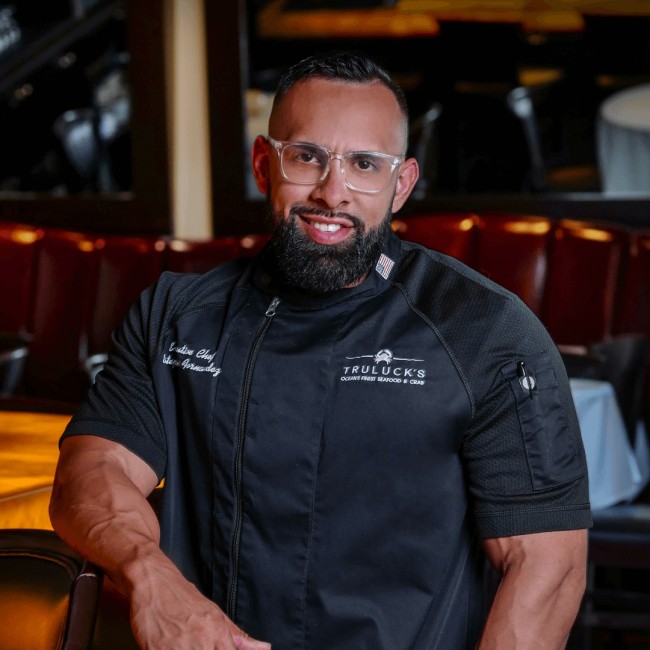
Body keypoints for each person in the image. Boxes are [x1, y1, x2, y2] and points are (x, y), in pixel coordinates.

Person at [50, 52, 592, 650]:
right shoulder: (176, 316)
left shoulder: (484, 330)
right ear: (263, 164)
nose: (332, 192)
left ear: (401, 185)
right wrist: (149, 576)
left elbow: (546, 564)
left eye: (365, 164)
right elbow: (91, 473)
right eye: (306, 157)